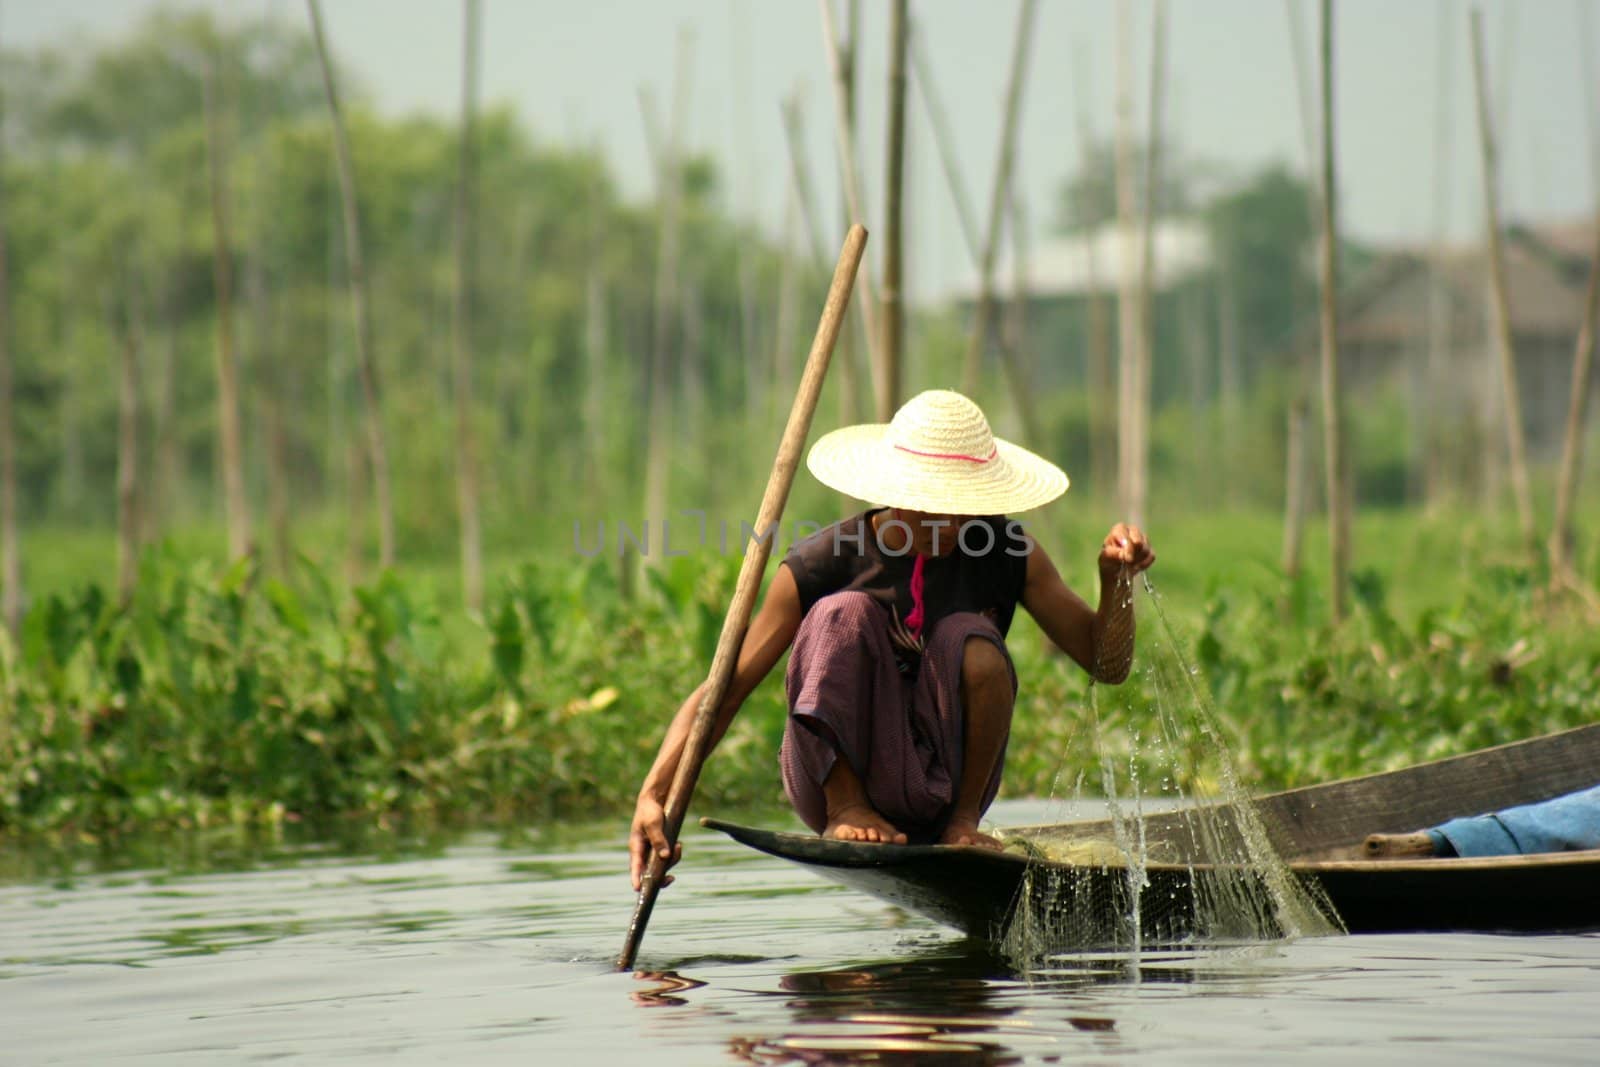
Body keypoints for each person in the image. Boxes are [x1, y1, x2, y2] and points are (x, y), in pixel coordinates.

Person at [628, 389, 1154, 891]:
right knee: (843, 613)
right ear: (895, 494)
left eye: (960, 504)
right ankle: (848, 806)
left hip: (945, 786)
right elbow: (726, 688)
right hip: (835, 774)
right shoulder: (823, 562)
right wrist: (654, 794)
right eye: (929, 503)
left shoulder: (1008, 553)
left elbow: (1106, 663)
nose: (946, 521)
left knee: (971, 639)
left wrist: (1115, 583)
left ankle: (963, 821)